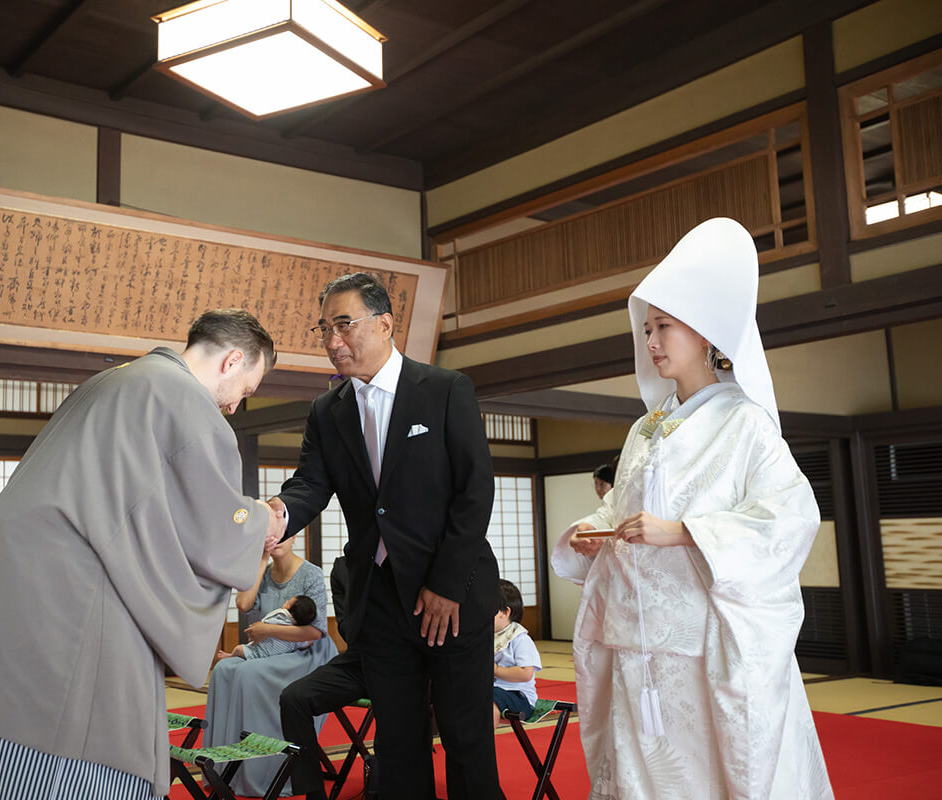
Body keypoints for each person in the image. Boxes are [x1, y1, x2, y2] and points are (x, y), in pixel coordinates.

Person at [0, 309, 285, 800]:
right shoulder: (185, 401)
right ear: (233, 360)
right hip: (73, 585)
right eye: (246, 390)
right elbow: (211, 526)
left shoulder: (111, 381)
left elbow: (139, 506)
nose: (235, 407)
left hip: (15, 568)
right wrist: (262, 520)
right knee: (77, 721)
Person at [551, 218, 834, 799]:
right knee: (638, 770)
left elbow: (791, 517)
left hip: (700, 641)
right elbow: (621, 513)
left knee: (703, 771)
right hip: (634, 635)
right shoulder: (645, 429)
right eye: (647, 328)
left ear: (705, 334)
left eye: (664, 327)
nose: (650, 341)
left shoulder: (745, 422)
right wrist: (590, 530)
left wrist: (685, 532)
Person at [270, 272, 502, 800]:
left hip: (454, 595)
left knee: (467, 741)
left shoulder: (444, 390)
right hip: (380, 601)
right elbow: (310, 484)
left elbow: (475, 492)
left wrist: (444, 583)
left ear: (385, 324)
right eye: (324, 328)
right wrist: (276, 515)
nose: (333, 341)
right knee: (397, 745)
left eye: (344, 325)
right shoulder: (326, 412)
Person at [204, 531, 337, 796]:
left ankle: (265, 771)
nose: (275, 540)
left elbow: (313, 633)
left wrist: (268, 631)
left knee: (248, 674)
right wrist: (262, 559)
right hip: (271, 650)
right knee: (222, 670)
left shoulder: (309, 574)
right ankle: (225, 769)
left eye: (281, 535)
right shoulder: (262, 573)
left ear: (295, 536)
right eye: (267, 536)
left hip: (306, 654)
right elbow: (243, 604)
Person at [491, 579, 542, 728]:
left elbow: (526, 674)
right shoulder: (488, 635)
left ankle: (483, 745)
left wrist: (495, 670)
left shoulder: (519, 638)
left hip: (519, 697)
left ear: (505, 612)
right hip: (492, 689)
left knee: (489, 698)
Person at [216, 594, 317, 661]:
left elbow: (264, 625)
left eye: (289, 601)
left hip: (260, 652)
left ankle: (230, 656)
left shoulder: (280, 616)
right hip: (279, 657)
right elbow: (306, 642)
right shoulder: (297, 636)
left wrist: (260, 627)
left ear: (289, 608)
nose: (286, 601)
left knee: (238, 649)